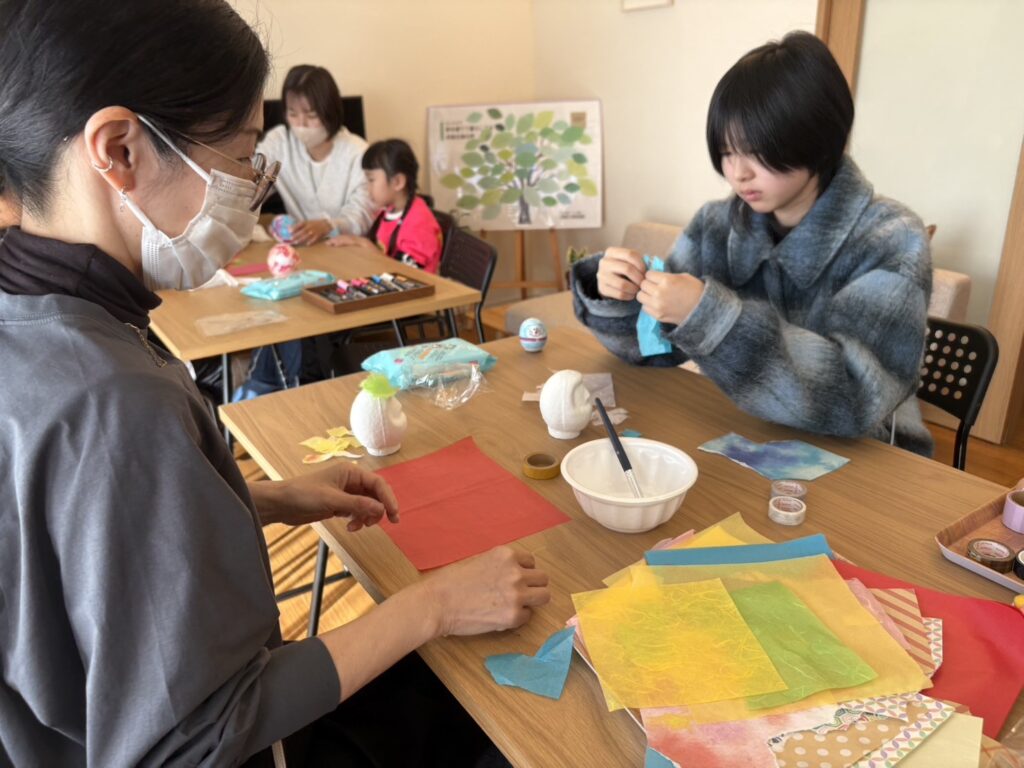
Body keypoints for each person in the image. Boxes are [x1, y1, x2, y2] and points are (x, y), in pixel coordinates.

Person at [0, 2, 549, 766]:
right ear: (120, 149)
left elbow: (77, 545)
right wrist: (432, 605)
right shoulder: (115, 403)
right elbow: (192, 741)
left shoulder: (33, 322)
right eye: (240, 155)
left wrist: (253, 498)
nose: (251, 184)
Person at [572, 31, 934, 455]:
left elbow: (855, 398)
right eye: (727, 152)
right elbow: (654, 348)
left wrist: (710, 317)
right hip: (752, 435)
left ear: (818, 140)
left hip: (869, 456)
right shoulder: (716, 225)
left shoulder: (892, 239)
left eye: (758, 152)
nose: (738, 173)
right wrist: (619, 293)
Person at [259, 65, 375, 245]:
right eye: (292, 114)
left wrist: (330, 226)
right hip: (302, 247)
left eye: (311, 115)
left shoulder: (358, 153)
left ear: (330, 113)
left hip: (347, 248)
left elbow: (363, 215)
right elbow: (250, 184)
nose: (301, 124)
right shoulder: (279, 142)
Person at [328, 139, 443, 274]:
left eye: (371, 180)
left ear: (397, 182)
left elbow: (406, 274)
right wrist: (355, 241)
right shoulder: (388, 210)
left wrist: (363, 243)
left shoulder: (419, 224)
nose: (367, 188)